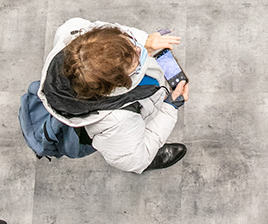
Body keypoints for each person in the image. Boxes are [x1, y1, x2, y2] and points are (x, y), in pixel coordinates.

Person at [36, 18, 189, 173]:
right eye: (134, 63)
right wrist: (169, 107)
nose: (139, 49)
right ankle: (153, 157)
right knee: (139, 149)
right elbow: (134, 160)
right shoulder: (118, 121)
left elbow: (106, 28)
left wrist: (144, 40)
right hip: (128, 134)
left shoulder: (75, 32)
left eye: (129, 42)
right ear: (116, 85)